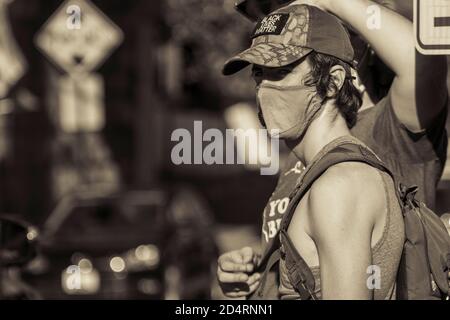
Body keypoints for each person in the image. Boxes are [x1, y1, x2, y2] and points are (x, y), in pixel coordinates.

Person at [217, 0, 448, 299]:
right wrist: (260, 282)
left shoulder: (385, 134)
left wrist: (331, 1)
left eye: (281, 68)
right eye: (260, 72)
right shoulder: (305, 148)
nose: (264, 88)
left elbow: (425, 62)